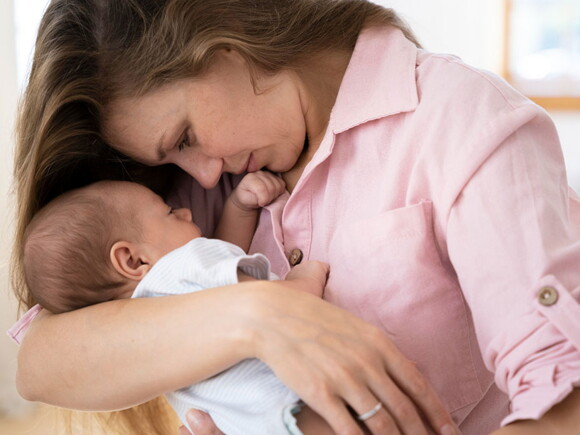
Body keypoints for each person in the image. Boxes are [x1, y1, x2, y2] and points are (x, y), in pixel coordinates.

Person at [10, 0, 580, 434]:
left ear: (225, 43)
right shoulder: (210, 193)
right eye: (174, 157)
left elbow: (563, 391)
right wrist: (261, 314)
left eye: (185, 137)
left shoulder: (457, 120)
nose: (202, 177)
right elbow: (41, 363)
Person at [22, 177, 333, 435]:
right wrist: (306, 279)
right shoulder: (183, 264)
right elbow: (281, 305)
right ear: (133, 260)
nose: (186, 212)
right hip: (290, 399)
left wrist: (238, 208)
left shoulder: (139, 331)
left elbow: (221, 271)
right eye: (169, 212)